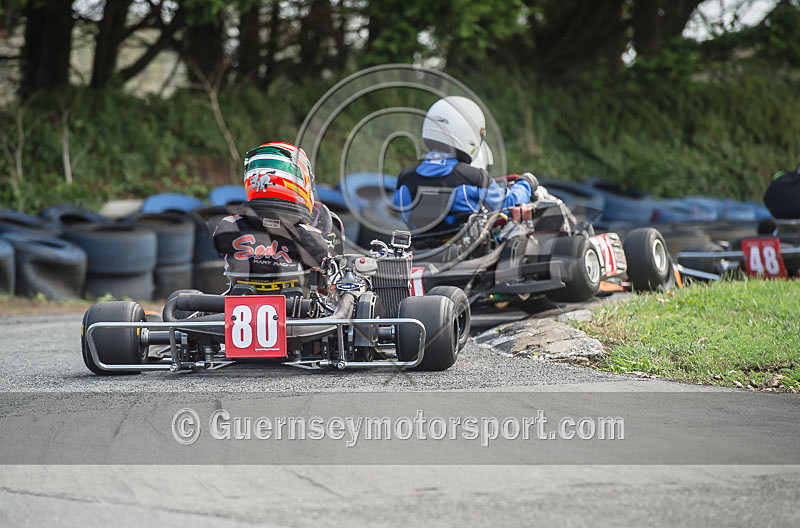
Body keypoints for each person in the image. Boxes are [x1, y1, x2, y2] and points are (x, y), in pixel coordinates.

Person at [393, 96, 535, 232]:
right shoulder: (473, 179)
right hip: (466, 254)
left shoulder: (405, 180)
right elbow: (509, 203)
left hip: (419, 252)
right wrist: (526, 183)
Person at [212, 142, 330, 291]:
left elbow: (219, 248)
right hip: (297, 309)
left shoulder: (228, 226)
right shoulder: (309, 236)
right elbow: (325, 264)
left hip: (239, 303)